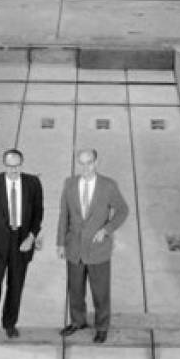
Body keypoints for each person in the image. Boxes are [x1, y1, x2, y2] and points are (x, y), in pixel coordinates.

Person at [56, 147, 129, 343]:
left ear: (96, 162)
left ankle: (102, 327)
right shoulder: (69, 184)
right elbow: (64, 215)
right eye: (82, 163)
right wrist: (60, 243)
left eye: (89, 163)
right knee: (75, 290)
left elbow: (123, 210)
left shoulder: (108, 186)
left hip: (98, 249)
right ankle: (77, 321)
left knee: (100, 292)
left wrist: (106, 229)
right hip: (74, 248)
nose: (86, 167)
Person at [0, 148, 43, 341]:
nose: (13, 170)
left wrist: (31, 237)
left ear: (22, 164)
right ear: (4, 165)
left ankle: (10, 324)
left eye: (17, 166)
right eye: (9, 166)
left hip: (21, 243)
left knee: (16, 286)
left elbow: (38, 212)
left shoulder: (33, 183)